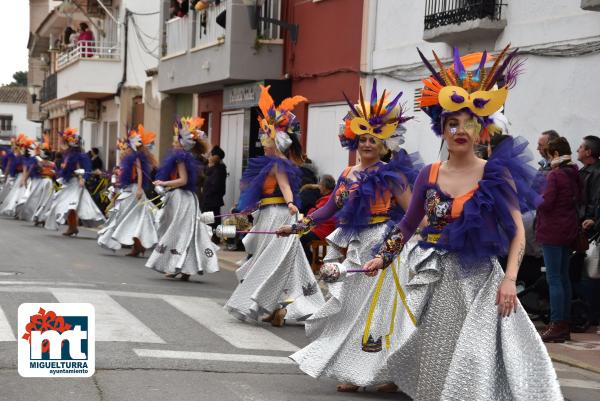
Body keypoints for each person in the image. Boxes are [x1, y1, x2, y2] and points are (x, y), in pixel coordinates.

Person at [362, 46, 563, 400]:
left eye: (468, 122)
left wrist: (510, 282)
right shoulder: (429, 173)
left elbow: (517, 232)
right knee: (437, 355)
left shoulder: (495, 174)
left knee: (474, 359)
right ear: (441, 128)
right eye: (452, 122)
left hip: (481, 283)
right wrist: (384, 256)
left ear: (481, 128)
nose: (460, 129)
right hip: (438, 280)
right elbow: (408, 225)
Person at [280, 80, 422, 393]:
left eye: (374, 139)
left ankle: (386, 372)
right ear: (354, 139)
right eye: (363, 137)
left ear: (385, 144)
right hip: (357, 249)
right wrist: (297, 225)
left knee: (382, 312)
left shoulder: (393, 175)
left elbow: (412, 215)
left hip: (384, 247)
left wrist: (401, 247)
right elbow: (329, 208)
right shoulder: (346, 174)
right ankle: (352, 368)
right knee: (351, 310)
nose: (368, 143)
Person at [224, 85, 325, 327]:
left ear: (277, 140)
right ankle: (277, 307)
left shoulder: (278, 163)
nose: (262, 141)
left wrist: (291, 204)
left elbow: (286, 188)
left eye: (265, 136)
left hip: (278, 215)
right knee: (279, 263)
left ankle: (274, 306)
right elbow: (265, 192)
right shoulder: (274, 163)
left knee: (270, 262)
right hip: (271, 213)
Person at [145, 117, 219, 280]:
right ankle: (185, 267)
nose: (174, 142)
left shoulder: (181, 158)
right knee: (186, 233)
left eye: (177, 140)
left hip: (183, 200)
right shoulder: (186, 157)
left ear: (182, 143)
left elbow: (183, 181)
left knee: (179, 233)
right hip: (183, 199)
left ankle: (176, 266)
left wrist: (163, 182)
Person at [535, 137, 581, 343]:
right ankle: (564, 323)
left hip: (552, 230)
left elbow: (545, 203)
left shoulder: (555, 175)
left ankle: (557, 324)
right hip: (568, 229)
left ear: (554, 155)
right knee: (563, 277)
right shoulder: (574, 173)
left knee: (554, 278)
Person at [98, 125, 159, 257]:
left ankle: (138, 246)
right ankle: (138, 246)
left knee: (130, 218)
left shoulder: (136, 157)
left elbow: (140, 174)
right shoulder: (130, 156)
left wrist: (138, 189)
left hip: (135, 191)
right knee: (129, 218)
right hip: (130, 190)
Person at [44, 128, 105, 235]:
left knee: (72, 205)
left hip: (75, 183)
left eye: (64, 143)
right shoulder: (66, 156)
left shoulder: (79, 156)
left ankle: (73, 227)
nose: (62, 145)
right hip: (65, 182)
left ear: (70, 145)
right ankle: (72, 227)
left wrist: (82, 179)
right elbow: (63, 171)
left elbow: (85, 170)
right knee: (56, 199)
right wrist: (54, 168)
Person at [298, 174, 336, 262]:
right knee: (300, 234)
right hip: (323, 229)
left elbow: (314, 215)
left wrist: (312, 210)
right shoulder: (330, 197)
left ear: (325, 186)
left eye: (320, 185)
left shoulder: (328, 199)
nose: (319, 187)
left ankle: (309, 261)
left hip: (324, 231)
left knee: (301, 236)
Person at [20, 135, 55, 224]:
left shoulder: (40, 162)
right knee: (44, 200)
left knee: (38, 199)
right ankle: (39, 217)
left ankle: (39, 217)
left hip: (44, 182)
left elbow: (57, 175)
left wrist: (25, 180)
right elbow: (57, 176)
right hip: (48, 183)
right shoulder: (50, 164)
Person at [0, 134, 33, 217]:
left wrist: (24, 179)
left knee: (21, 194)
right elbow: (9, 166)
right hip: (18, 176)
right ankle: (16, 210)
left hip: (24, 177)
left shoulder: (26, 157)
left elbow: (27, 169)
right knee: (16, 193)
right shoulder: (13, 155)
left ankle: (19, 211)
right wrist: (6, 175)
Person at [200, 145, 227, 243]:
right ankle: (208, 237)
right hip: (207, 198)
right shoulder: (209, 167)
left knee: (212, 220)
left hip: (213, 199)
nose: (209, 157)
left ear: (216, 157)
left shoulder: (219, 169)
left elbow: (215, 185)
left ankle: (213, 238)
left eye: (211, 155)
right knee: (209, 219)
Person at [577, 135, 600, 237]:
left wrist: (594, 220)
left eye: (581, 147)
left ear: (588, 152)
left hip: (591, 228)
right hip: (582, 224)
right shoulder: (583, 171)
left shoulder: (597, 173)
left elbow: (596, 200)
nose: (577, 150)